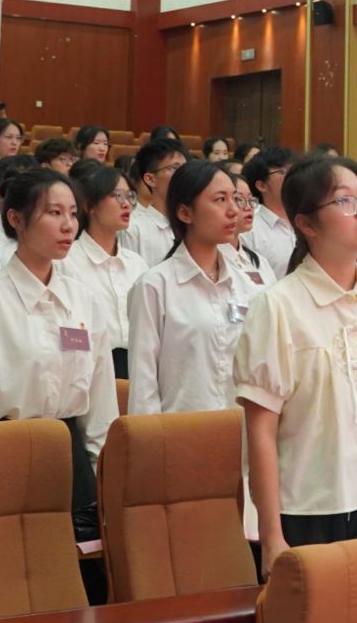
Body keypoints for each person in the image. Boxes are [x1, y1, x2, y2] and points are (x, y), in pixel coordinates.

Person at [236, 158, 357, 563]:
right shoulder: (278, 306)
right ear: (306, 223)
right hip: (308, 509)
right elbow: (261, 432)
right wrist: (272, 538)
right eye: (344, 201)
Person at [0, 168, 117, 539]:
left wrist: (106, 476)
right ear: (16, 218)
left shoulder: (85, 300)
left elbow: (101, 407)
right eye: (54, 213)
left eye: (73, 213)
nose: (68, 226)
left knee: (78, 568)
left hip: (72, 461)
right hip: (6, 457)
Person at [125, 160, 260, 416]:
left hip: (237, 428)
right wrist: (148, 437)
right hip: (178, 432)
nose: (234, 210)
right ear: (185, 213)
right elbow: (143, 384)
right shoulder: (155, 286)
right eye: (220, 200)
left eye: (234, 199)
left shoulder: (246, 286)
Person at [68, 161, 150, 381]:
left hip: (136, 368)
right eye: (117, 196)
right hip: (86, 368)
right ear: (89, 205)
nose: (126, 204)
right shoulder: (67, 261)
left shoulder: (137, 264)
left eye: (130, 197)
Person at [120, 139, 186, 265]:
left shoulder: (193, 225)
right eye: (175, 168)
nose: (184, 175)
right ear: (150, 179)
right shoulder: (133, 229)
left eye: (185, 168)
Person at [240, 148, 296, 275]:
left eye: (293, 171)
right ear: (262, 185)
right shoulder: (249, 230)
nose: (293, 177)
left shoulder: (307, 219)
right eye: (283, 172)